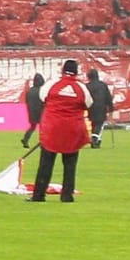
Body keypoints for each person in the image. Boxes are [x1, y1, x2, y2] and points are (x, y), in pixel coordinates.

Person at [31, 59, 89, 202]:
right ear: (76, 71)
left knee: (46, 163)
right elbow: (89, 103)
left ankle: (39, 195)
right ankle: (67, 196)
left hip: (52, 128)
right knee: (70, 165)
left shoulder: (52, 84)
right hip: (73, 130)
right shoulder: (81, 87)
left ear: (63, 70)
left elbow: (42, 97)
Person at [85, 69, 111, 149]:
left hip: (91, 107)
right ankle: (95, 138)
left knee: (94, 124)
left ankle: (96, 140)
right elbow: (108, 97)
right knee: (99, 124)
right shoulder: (103, 85)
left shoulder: (87, 86)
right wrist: (111, 107)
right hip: (101, 108)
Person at [21, 73, 46, 149]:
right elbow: (44, 101)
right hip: (41, 111)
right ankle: (42, 143)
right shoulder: (42, 90)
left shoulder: (30, 91)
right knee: (43, 128)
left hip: (31, 111)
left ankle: (25, 139)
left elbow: (27, 101)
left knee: (32, 127)